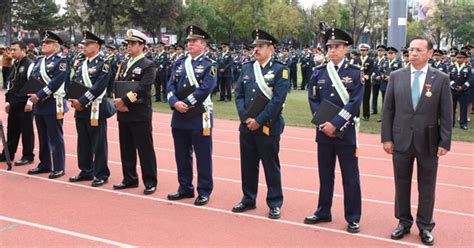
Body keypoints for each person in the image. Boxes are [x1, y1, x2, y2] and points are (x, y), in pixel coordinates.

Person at [381, 37, 453, 246]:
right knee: (401, 184)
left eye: (419, 50)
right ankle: (403, 222)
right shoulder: (396, 76)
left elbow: (446, 114)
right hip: (401, 139)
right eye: (411, 50)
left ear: (430, 53)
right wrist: (386, 138)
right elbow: (388, 110)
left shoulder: (440, 78)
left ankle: (425, 225)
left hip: (429, 141)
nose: (413, 53)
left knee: (427, 186)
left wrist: (444, 141)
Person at [305, 28, 363, 234]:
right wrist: (322, 123)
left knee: (350, 176)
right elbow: (313, 99)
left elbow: (355, 103)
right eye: (329, 47)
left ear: (346, 48)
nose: (332, 50)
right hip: (323, 132)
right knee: (325, 174)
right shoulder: (319, 71)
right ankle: (323, 211)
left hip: (345, 132)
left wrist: (336, 123)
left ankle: (353, 217)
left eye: (337, 47)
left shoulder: (355, 72)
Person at [233, 29, 289, 219]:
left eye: (260, 46)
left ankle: (274, 202)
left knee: (270, 165)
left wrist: (259, 120)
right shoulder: (247, 67)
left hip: (268, 127)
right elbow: (239, 94)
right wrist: (244, 117)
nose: (256, 50)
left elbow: (277, 101)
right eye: (255, 46)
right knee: (247, 165)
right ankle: (248, 198)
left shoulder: (281, 70)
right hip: (246, 125)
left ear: (270, 48)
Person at [166, 25, 217, 206]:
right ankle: (185, 187)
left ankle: (204, 190)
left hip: (199, 115)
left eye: (194, 41)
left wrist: (185, 103)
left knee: (203, 155)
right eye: (188, 41)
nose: (190, 44)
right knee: (182, 154)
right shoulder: (179, 63)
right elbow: (170, 86)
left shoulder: (209, 65)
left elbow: (206, 89)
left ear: (203, 44)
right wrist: (174, 103)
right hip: (179, 116)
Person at [112, 29, 158, 195]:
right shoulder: (124, 63)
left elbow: (144, 88)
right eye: (128, 44)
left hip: (139, 113)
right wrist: (117, 102)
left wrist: (124, 100)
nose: (128, 46)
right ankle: (129, 178)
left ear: (142, 45)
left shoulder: (148, 64)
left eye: (132, 44)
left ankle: (150, 181)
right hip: (123, 112)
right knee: (126, 148)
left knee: (145, 149)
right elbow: (117, 83)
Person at [68, 31, 115, 187]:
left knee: (98, 142)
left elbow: (99, 86)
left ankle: (101, 173)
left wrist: (81, 101)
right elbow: (75, 81)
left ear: (97, 46)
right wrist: (73, 98)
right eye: (84, 44)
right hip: (80, 108)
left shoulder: (104, 63)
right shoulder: (82, 62)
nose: (84, 47)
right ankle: (86, 170)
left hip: (95, 107)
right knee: (83, 141)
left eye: (88, 44)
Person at [27, 31, 69, 179]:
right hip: (39, 105)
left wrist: (39, 95)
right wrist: (31, 98)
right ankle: (45, 164)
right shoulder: (39, 61)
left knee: (55, 137)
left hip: (52, 103)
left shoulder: (61, 61)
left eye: (47, 43)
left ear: (56, 46)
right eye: (43, 42)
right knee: (42, 135)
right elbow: (33, 80)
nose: (43, 44)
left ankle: (59, 166)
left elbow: (56, 82)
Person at [0, 41, 35, 166]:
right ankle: (8, 153)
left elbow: (33, 84)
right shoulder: (15, 64)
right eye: (11, 50)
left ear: (24, 50)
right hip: (14, 103)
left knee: (26, 130)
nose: (12, 52)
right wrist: (9, 102)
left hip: (24, 103)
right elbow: (12, 84)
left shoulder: (29, 64)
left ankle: (28, 155)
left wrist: (29, 103)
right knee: (12, 130)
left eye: (15, 50)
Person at [449, 51, 471, 130]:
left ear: (465, 59)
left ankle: (463, 124)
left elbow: (470, 79)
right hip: (453, 90)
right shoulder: (451, 67)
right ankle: (451, 123)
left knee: (463, 108)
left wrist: (463, 87)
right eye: (457, 57)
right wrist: (454, 86)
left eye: (460, 58)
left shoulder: (469, 68)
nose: (458, 59)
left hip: (464, 91)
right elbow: (449, 78)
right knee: (452, 107)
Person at [358, 43, 373, 121]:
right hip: (357, 82)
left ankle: (366, 115)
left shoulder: (370, 60)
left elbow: (370, 71)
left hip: (367, 82)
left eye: (364, 50)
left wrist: (364, 77)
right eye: (361, 50)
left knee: (366, 98)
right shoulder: (357, 59)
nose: (362, 52)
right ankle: (356, 114)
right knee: (356, 98)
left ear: (367, 51)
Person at [372, 44, 387, 115]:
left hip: (383, 80)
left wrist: (381, 76)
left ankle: (383, 111)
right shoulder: (374, 59)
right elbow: (373, 69)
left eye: (381, 51)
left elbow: (386, 70)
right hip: (375, 80)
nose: (380, 52)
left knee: (384, 96)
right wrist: (375, 76)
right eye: (379, 51)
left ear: (384, 52)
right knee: (374, 95)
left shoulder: (386, 60)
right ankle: (374, 109)